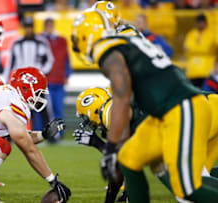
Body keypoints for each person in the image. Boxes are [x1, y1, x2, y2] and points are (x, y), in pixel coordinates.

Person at [71, 8, 218, 203]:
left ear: (85, 36)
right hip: (167, 112)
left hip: (181, 107)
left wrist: (109, 148)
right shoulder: (128, 40)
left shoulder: (107, 50)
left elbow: (123, 102)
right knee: (129, 159)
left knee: (186, 188)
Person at [0, 67, 70, 203]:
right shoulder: (12, 103)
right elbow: (28, 148)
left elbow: (21, 137)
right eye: (37, 93)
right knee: (1, 146)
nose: (38, 98)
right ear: (25, 88)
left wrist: (43, 135)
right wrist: (52, 181)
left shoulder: (6, 94)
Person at [4, 17, 54, 131]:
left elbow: (50, 60)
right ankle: (16, 133)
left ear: (33, 28)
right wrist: (6, 81)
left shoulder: (42, 42)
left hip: (36, 83)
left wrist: (42, 73)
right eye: (26, 28)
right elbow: (10, 64)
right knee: (19, 109)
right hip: (21, 83)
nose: (28, 30)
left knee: (43, 108)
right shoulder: (16, 43)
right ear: (23, 28)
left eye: (30, 27)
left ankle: (49, 133)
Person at [40, 18, 71, 141]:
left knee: (58, 108)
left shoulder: (62, 41)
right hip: (46, 81)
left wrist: (67, 75)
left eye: (50, 26)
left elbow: (66, 59)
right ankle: (45, 133)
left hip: (58, 80)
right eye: (47, 26)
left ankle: (59, 134)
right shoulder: (41, 41)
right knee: (46, 110)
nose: (49, 28)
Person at [184, 13, 217, 88]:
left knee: (206, 94)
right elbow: (186, 49)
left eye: (201, 22)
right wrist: (203, 49)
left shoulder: (212, 33)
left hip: (207, 70)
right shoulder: (191, 34)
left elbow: (208, 48)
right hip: (192, 71)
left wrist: (195, 49)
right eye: (198, 22)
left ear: (205, 22)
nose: (200, 24)